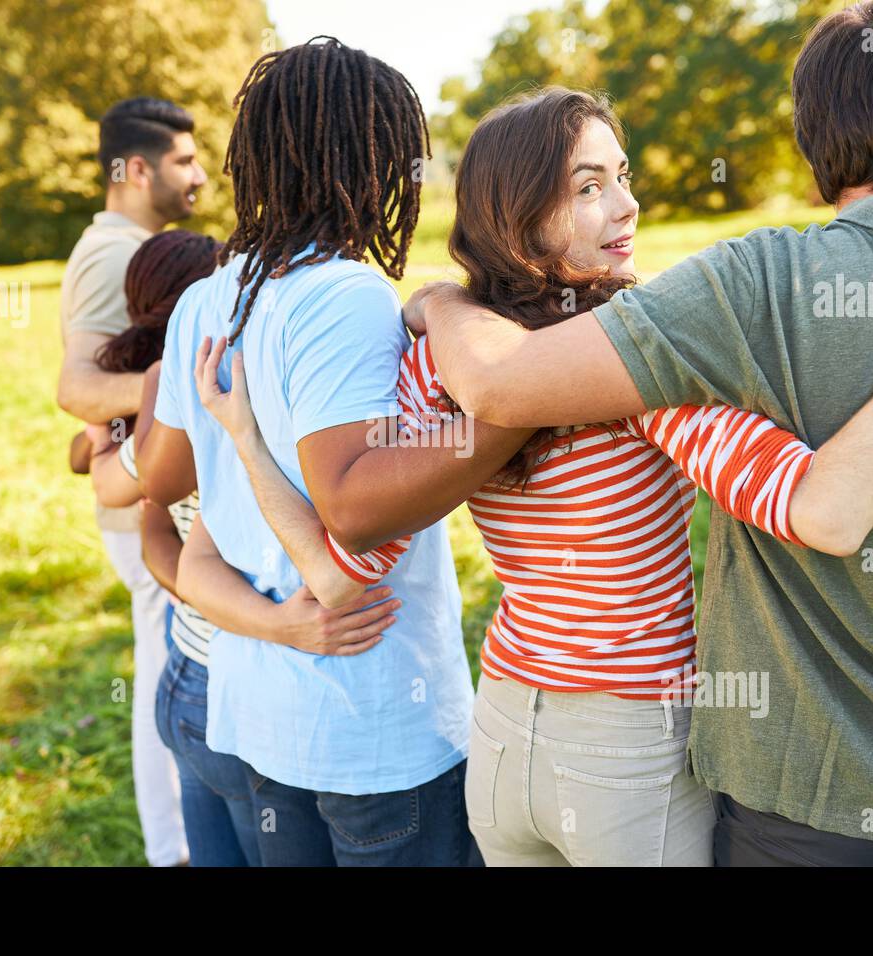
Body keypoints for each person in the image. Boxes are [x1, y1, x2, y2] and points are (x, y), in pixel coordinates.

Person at [194, 86, 873, 866]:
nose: (629, 204)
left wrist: (246, 439)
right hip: (625, 752)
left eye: (624, 176)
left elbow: (332, 575)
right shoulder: (643, 376)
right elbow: (812, 504)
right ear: (520, 214)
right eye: (588, 187)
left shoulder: (433, 367)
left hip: (502, 740)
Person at [407, 0, 873, 865]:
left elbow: (493, 388)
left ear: (811, 139)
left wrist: (441, 297)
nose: (626, 207)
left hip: (800, 808)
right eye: (591, 185)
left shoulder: (748, 285)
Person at [136, 37, 528, 866]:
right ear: (368, 162)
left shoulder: (209, 297)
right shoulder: (345, 292)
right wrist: (509, 413)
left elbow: (165, 477)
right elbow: (352, 506)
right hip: (374, 727)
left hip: (263, 712)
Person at [87, 230, 399, 865]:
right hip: (226, 674)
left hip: (192, 664)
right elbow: (157, 502)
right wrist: (279, 623)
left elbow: (146, 511)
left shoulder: (165, 387)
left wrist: (121, 463)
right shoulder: (203, 384)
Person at [56, 96, 206, 867]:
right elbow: (78, 386)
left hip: (143, 486)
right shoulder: (112, 251)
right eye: (184, 160)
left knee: (175, 667)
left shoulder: (132, 245)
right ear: (136, 168)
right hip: (142, 506)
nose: (200, 175)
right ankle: (174, 848)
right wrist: (177, 392)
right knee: (169, 675)